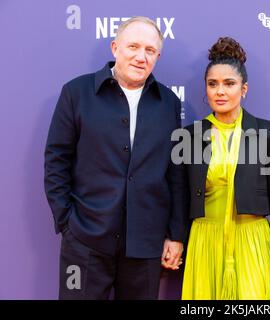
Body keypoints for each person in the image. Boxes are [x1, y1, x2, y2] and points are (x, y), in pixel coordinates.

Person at [44, 16, 187, 300]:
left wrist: (176, 234)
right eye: (133, 46)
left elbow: (175, 173)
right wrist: (67, 223)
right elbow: (56, 160)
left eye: (149, 50)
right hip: (85, 242)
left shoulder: (168, 103)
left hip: (145, 245)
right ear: (115, 48)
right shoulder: (77, 93)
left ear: (157, 56)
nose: (140, 56)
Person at [181, 37, 270, 300]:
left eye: (229, 84)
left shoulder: (266, 132)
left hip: (253, 241)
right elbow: (179, 196)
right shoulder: (190, 136)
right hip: (205, 241)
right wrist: (174, 242)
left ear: (244, 89)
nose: (220, 91)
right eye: (212, 84)